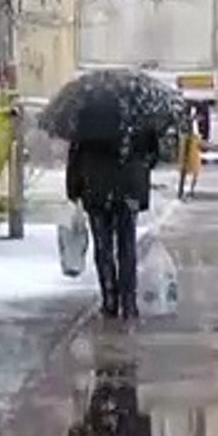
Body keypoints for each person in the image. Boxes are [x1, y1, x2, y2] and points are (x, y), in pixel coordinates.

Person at [66, 128, 160, 319]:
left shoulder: (88, 114)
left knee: (103, 246)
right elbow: (152, 154)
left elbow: (76, 155)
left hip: (96, 188)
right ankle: (129, 301)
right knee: (127, 244)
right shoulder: (138, 115)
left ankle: (110, 298)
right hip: (129, 190)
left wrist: (74, 189)